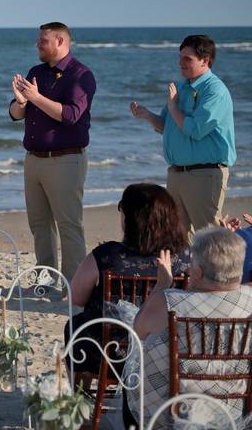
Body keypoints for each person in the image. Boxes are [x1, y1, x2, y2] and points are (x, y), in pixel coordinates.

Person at [124, 227, 252, 429]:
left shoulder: (168, 301)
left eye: (191, 265)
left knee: (130, 379)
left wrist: (163, 285)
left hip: (168, 415)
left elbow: (137, 332)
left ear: (199, 272)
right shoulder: (249, 301)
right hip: (235, 413)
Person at [66, 183, 190, 372]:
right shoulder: (185, 258)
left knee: (73, 325)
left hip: (109, 353)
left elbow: (75, 297)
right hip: (166, 353)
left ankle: (79, 391)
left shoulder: (107, 255)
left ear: (131, 218)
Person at [10, 22, 96, 289]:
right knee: (39, 224)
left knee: (69, 225)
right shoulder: (36, 71)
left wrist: (35, 97)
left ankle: (74, 285)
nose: (38, 45)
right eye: (38, 40)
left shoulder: (80, 74)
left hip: (66, 159)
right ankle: (45, 279)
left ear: (60, 41)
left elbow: (70, 116)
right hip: (34, 159)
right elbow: (15, 114)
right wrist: (22, 102)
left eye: (43, 41)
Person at [130, 34, 236, 234]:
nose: (181, 63)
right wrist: (146, 115)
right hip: (177, 173)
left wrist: (173, 106)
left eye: (187, 59)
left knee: (208, 239)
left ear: (205, 61)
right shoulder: (181, 87)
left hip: (205, 173)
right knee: (176, 238)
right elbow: (168, 126)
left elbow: (195, 130)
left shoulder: (215, 90)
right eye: (180, 57)